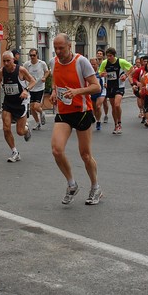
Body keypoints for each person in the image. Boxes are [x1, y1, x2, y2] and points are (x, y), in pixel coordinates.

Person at [50, 33, 102, 205]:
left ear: (69, 46)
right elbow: (56, 83)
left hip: (82, 112)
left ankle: (95, 187)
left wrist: (77, 91)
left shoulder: (81, 62)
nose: (58, 51)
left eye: (61, 48)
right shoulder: (54, 62)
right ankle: (72, 184)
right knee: (57, 150)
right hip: (63, 112)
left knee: (85, 155)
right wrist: (53, 93)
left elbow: (96, 87)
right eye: (55, 48)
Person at [0, 51, 37, 162]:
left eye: (8, 61)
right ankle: (15, 152)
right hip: (8, 102)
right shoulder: (1, 72)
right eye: (4, 61)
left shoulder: (21, 70)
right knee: (6, 128)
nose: (6, 63)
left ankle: (26, 130)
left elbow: (33, 81)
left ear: (13, 60)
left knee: (20, 132)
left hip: (21, 102)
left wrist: (26, 90)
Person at [98, 47, 133, 134]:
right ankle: (116, 125)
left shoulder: (121, 62)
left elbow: (131, 68)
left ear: (114, 56)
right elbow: (99, 73)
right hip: (110, 87)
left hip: (119, 86)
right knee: (113, 106)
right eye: (107, 56)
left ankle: (120, 122)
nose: (108, 58)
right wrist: (102, 74)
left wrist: (126, 75)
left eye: (110, 56)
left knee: (117, 105)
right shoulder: (104, 63)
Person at [23, 48, 49, 130]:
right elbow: (23, 73)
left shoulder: (42, 63)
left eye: (34, 55)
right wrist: (26, 80)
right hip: (31, 88)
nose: (32, 57)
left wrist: (44, 77)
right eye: (30, 55)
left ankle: (42, 112)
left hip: (40, 88)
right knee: (32, 108)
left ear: (37, 55)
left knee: (36, 106)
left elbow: (47, 71)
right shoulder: (27, 64)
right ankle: (38, 123)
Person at [89, 57, 106, 131]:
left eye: (94, 64)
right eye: (91, 64)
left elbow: (107, 77)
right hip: (93, 91)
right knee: (94, 108)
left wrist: (106, 83)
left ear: (97, 64)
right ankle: (97, 119)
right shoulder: (88, 72)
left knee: (98, 106)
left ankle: (98, 122)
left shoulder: (101, 71)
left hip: (102, 91)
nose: (93, 66)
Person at [96, 49, 110, 123]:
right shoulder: (95, 63)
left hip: (104, 84)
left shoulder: (105, 63)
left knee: (104, 102)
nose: (99, 55)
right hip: (97, 84)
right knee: (96, 103)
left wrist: (107, 83)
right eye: (98, 53)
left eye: (100, 54)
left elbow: (108, 74)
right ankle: (97, 117)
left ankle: (106, 115)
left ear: (103, 55)